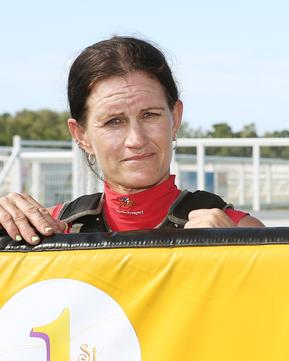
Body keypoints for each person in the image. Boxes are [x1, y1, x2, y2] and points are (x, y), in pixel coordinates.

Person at [0, 36, 264, 243]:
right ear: (81, 135)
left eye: (150, 115)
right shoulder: (49, 229)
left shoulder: (241, 231)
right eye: (114, 121)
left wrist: (239, 255)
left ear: (176, 117)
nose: (136, 140)